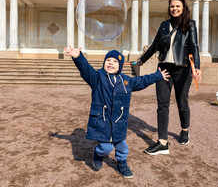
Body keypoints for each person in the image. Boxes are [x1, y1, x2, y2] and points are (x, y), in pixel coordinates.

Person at [64, 45, 169, 178]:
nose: (111, 63)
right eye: (108, 61)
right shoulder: (97, 78)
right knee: (106, 148)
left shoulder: (126, 81)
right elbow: (86, 69)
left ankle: (122, 164)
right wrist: (77, 56)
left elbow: (142, 81)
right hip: (102, 121)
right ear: (104, 63)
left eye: (114, 61)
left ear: (119, 65)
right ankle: (98, 154)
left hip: (119, 122)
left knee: (122, 147)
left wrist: (157, 75)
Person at [136, 0, 201, 155]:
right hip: (164, 68)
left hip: (182, 68)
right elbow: (154, 46)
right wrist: (141, 60)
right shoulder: (164, 25)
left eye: (178, 6)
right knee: (162, 104)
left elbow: (194, 46)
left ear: (183, 7)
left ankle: (184, 129)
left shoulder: (190, 25)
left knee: (181, 101)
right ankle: (162, 142)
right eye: (172, 6)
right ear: (169, 8)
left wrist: (197, 67)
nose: (174, 9)